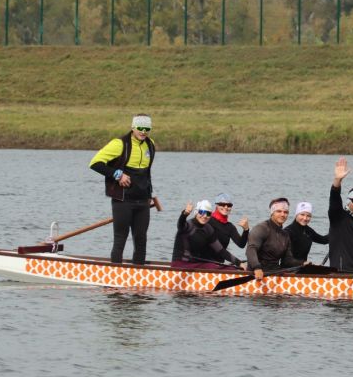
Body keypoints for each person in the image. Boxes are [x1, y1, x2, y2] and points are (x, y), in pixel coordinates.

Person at [89, 113, 156, 264]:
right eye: (140, 128)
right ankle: (115, 275)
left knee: (141, 240)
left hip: (142, 201)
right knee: (121, 238)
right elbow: (94, 163)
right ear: (133, 127)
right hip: (123, 200)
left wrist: (149, 193)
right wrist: (117, 174)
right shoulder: (119, 144)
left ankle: (138, 275)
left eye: (147, 129)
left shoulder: (150, 144)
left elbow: (147, 173)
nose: (143, 132)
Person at [171, 200, 248, 270]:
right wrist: (185, 214)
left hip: (196, 264)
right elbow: (180, 225)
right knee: (213, 267)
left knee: (232, 268)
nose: (204, 216)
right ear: (196, 212)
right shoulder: (188, 225)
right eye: (201, 212)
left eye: (208, 214)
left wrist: (239, 263)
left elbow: (221, 251)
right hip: (180, 265)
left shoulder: (208, 229)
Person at [246, 198, 306, 280]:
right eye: (279, 211)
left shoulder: (285, 235)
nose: (283, 214)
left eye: (286, 212)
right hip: (256, 273)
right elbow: (251, 249)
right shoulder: (261, 228)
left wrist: (303, 263)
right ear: (272, 213)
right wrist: (257, 268)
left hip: (274, 272)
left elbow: (287, 260)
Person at [208, 193, 250, 263]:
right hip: (203, 262)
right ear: (217, 205)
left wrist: (246, 230)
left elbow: (241, 244)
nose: (226, 207)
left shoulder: (230, 227)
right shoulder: (208, 220)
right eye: (222, 204)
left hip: (219, 263)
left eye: (229, 205)